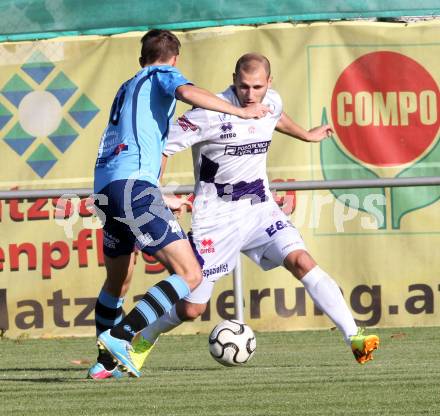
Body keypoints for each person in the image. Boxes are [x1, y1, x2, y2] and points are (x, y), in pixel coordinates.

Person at [129, 52, 380, 373]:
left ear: (268, 84)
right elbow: (161, 147)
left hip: (261, 210)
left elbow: (275, 115)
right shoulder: (209, 112)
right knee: (192, 308)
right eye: (244, 86)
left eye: (257, 87)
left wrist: (305, 134)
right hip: (216, 219)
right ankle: (143, 338)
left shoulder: (270, 101)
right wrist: (158, 193)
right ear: (234, 79)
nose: (250, 94)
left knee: (301, 261)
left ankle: (355, 337)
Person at [88, 31, 269, 379]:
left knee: (117, 283)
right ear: (175, 60)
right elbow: (187, 93)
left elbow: (134, 141)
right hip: (133, 188)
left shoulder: (127, 86)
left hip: (107, 189)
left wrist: (155, 190)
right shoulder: (161, 74)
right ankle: (122, 337)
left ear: (141, 58)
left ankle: (104, 365)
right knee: (190, 273)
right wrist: (238, 112)